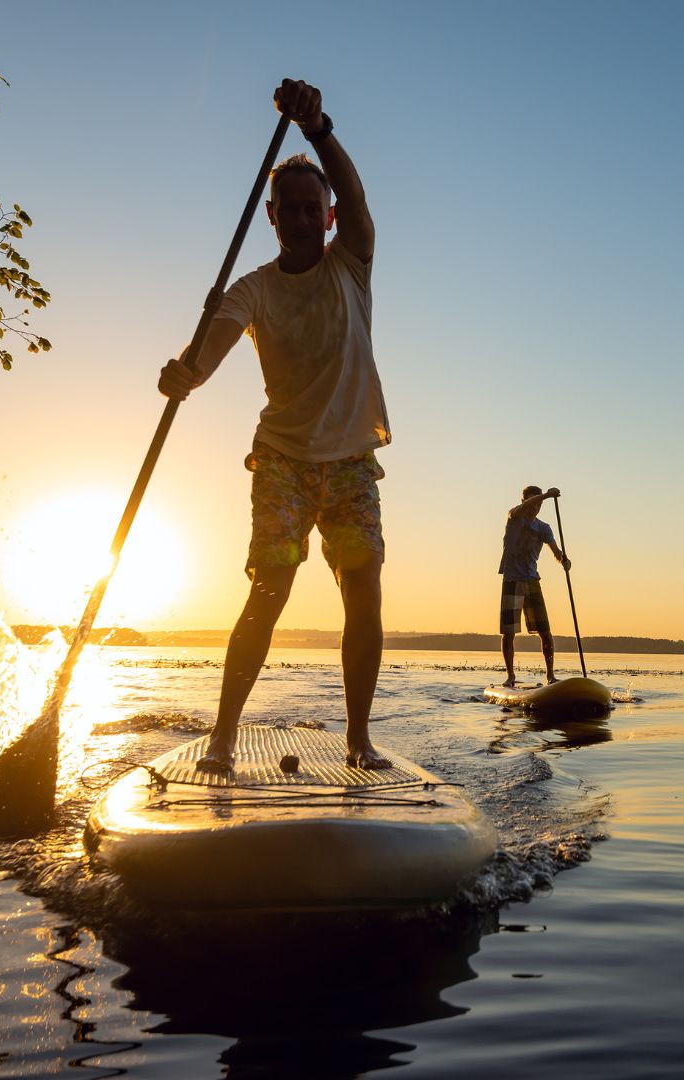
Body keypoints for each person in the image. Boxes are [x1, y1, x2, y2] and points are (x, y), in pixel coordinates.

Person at [159, 78, 392, 773]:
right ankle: (225, 738)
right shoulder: (252, 288)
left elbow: (356, 197)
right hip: (284, 461)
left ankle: (358, 739)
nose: (299, 217)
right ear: (270, 215)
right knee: (271, 587)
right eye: (286, 208)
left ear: (325, 217)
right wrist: (185, 374)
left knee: (364, 589)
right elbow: (208, 351)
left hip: (351, 460)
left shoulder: (352, 262)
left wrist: (317, 129)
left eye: (309, 208)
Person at [498, 486, 571, 686]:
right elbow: (521, 509)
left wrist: (563, 560)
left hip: (532, 581)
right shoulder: (514, 517)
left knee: (545, 631)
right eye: (532, 502)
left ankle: (550, 675)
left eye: (539, 504)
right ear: (523, 502)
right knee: (509, 632)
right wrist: (546, 496)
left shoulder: (543, 528)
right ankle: (511, 676)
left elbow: (555, 550)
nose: (535, 507)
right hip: (512, 579)